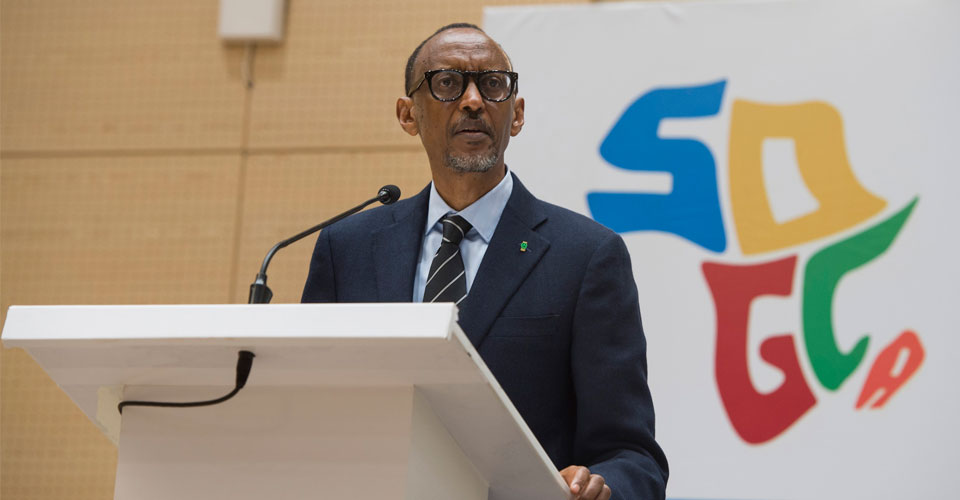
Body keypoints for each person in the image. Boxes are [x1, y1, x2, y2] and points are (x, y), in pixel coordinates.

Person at [302, 23, 668, 500]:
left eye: (493, 84)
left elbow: (632, 455)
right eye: (448, 83)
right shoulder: (346, 249)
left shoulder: (585, 256)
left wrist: (602, 488)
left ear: (516, 115)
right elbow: (307, 411)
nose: (473, 101)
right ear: (408, 115)